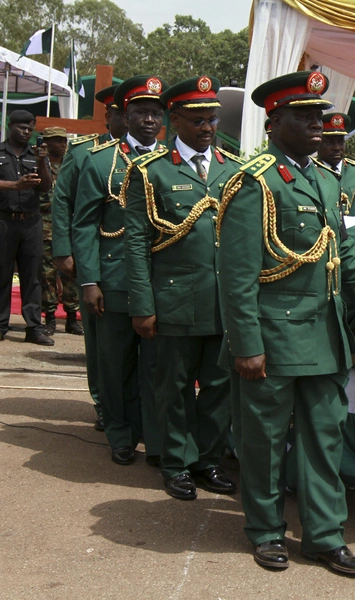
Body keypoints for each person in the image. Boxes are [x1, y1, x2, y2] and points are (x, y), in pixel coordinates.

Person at [218, 71, 355, 575]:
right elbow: (237, 275)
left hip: (325, 336)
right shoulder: (255, 182)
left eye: (319, 115)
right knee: (262, 441)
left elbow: (342, 251)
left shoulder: (325, 179)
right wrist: (246, 344)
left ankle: (324, 535)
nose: (318, 123)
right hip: (273, 336)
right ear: (275, 120)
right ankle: (265, 530)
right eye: (305, 116)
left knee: (324, 438)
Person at [123, 76, 241, 499]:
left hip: (222, 303)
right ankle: (175, 462)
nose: (207, 127)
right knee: (172, 388)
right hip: (173, 300)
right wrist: (142, 303)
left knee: (218, 386)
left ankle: (208, 460)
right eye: (197, 120)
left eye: (211, 118)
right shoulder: (150, 171)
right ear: (175, 121)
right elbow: (135, 243)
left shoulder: (233, 169)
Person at [72, 76, 168, 466]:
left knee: (156, 366)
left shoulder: (169, 162)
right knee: (115, 363)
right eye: (141, 112)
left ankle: (154, 434)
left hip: (161, 280)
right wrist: (90, 280)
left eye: (155, 112)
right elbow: (84, 224)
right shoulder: (101, 161)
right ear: (124, 117)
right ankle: (120, 432)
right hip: (114, 280)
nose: (149, 119)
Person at [52, 85, 127, 430]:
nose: (125, 118)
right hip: (97, 252)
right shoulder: (85, 152)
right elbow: (63, 201)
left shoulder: (149, 153)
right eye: (119, 112)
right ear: (108, 115)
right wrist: (64, 251)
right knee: (99, 337)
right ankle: (102, 401)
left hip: (136, 260)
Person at [0, 110, 53, 345]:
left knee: (32, 275)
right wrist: (15, 185)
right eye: (22, 127)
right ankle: (1, 325)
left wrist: (42, 161)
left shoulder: (36, 154)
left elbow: (46, 186)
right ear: (10, 126)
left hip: (31, 221)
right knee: (1, 274)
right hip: (4, 220)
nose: (26, 132)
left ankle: (33, 327)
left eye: (30, 129)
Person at [38, 126, 81, 336]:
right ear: (46, 142)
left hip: (68, 228)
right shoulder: (38, 164)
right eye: (56, 140)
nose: (62, 144)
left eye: (64, 140)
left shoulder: (72, 165)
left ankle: (72, 318)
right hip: (44, 226)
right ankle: (50, 318)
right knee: (46, 276)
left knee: (71, 275)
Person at [316, 112, 355, 211]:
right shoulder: (310, 171)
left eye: (340, 142)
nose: (337, 147)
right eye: (329, 142)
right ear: (318, 143)